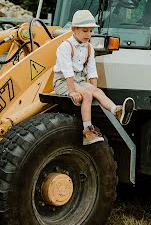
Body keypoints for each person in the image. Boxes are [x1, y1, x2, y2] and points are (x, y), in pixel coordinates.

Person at [53, 9, 135, 145]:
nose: (89, 34)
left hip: (79, 80)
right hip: (63, 82)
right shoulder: (65, 47)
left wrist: (93, 89)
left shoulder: (89, 48)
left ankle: (117, 111)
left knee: (97, 91)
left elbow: (91, 71)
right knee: (86, 94)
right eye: (85, 31)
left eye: (91, 31)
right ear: (74, 29)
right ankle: (87, 131)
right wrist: (73, 91)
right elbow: (67, 71)